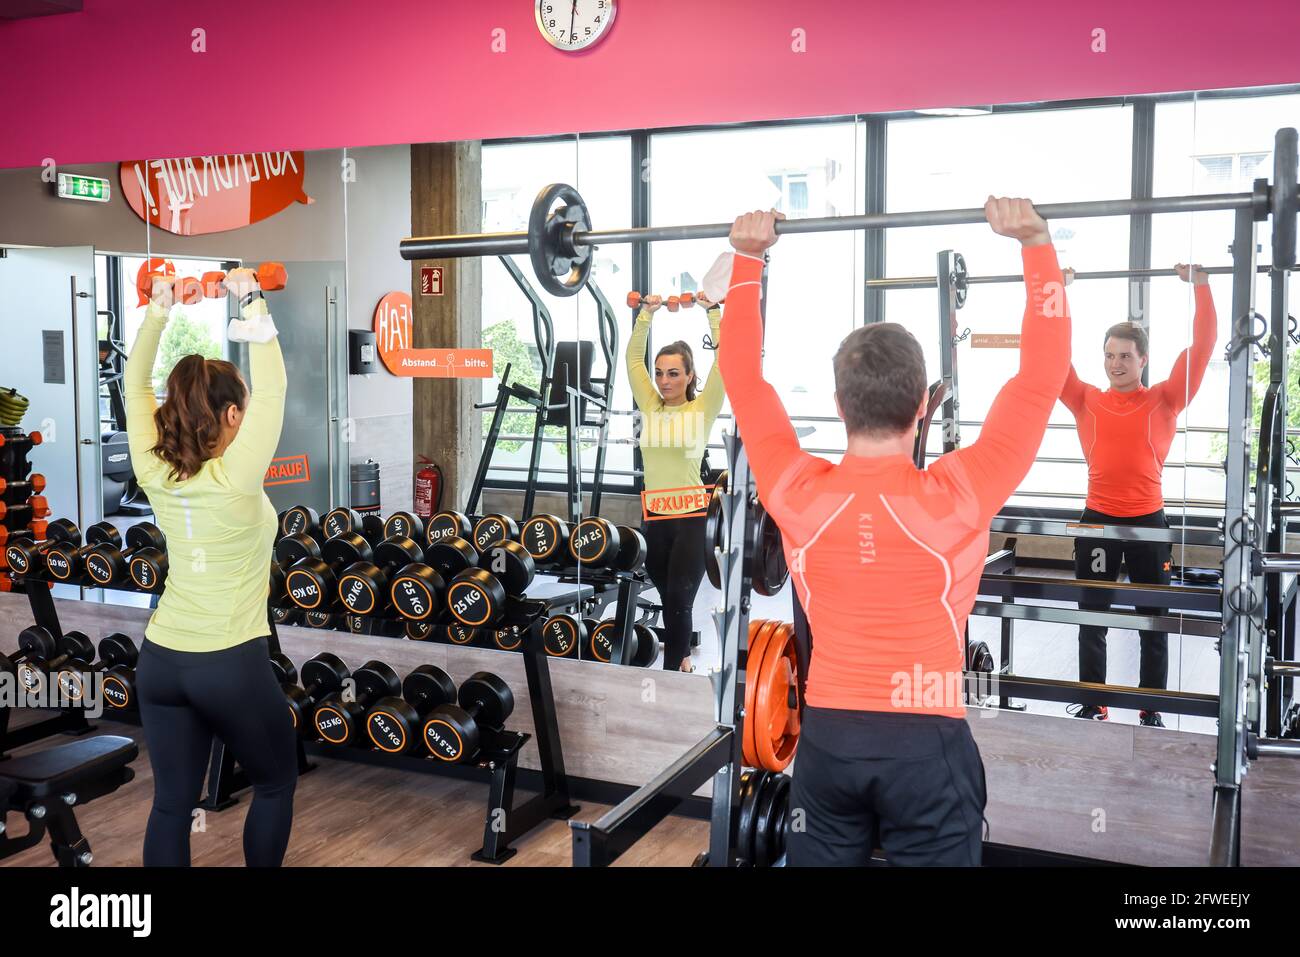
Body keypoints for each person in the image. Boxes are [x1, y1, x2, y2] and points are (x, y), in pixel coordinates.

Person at [718, 198, 1071, 866]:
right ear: (921, 405)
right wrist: (1035, 245)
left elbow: (742, 376)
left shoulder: (796, 492)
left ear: (838, 405)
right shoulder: (959, 496)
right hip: (927, 744)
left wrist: (746, 260)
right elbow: (1041, 377)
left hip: (826, 745)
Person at [124, 266, 295, 866]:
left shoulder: (154, 469)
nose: (248, 417)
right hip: (229, 661)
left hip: (162, 659)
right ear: (228, 417)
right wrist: (250, 297)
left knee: (172, 805)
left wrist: (158, 309)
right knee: (276, 781)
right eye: (241, 411)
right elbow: (275, 387)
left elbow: (134, 387)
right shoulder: (235, 477)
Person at [1059, 264, 1217, 727]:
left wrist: (1202, 287)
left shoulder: (1165, 399)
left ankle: (1152, 709)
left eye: (1125, 356)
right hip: (1097, 523)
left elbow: (1203, 348)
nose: (1115, 364)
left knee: (1154, 621)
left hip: (1149, 524)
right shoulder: (1085, 398)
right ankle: (1094, 702)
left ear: (1142, 359)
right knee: (1093, 616)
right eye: (1109, 355)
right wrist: (1058, 291)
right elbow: (1049, 353)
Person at [625, 292, 725, 671]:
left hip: (691, 519)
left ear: (689, 376)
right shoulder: (649, 406)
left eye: (674, 373)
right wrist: (645, 316)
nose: (664, 381)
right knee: (668, 598)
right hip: (654, 520)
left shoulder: (702, 408)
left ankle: (671, 679)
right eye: (661, 372)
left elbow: (726, 360)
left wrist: (712, 312)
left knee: (680, 599)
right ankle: (683, 662)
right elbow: (633, 360)